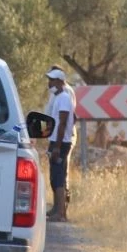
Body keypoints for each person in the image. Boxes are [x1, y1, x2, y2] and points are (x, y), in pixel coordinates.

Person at [44, 65, 76, 217]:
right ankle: (56, 209)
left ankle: (60, 212)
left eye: (52, 80)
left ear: (59, 81)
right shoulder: (58, 97)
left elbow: (62, 123)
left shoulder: (64, 98)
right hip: (55, 140)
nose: (49, 83)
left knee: (59, 178)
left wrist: (57, 147)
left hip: (61, 143)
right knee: (54, 177)